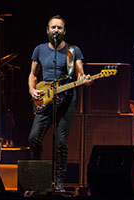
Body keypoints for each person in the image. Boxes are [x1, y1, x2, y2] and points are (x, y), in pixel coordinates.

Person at [28, 15, 91, 192]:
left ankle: (60, 183)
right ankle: (38, 178)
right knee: (34, 138)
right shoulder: (39, 50)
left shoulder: (73, 50)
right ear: (47, 30)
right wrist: (32, 90)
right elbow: (33, 75)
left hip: (66, 101)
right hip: (45, 99)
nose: (56, 30)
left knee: (61, 142)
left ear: (64, 31)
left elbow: (79, 73)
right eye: (53, 27)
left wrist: (84, 78)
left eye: (59, 28)